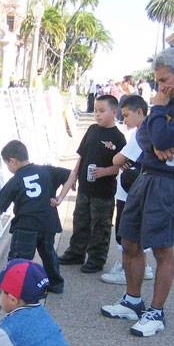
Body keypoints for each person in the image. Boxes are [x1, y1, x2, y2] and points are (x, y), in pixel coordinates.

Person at [99, 47, 174, 338]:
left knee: (161, 247)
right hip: (147, 176)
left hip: (169, 182)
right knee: (129, 240)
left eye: (163, 80)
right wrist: (158, 142)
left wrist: (158, 111)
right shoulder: (171, 99)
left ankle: (156, 312)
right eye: (159, 82)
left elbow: (159, 134)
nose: (161, 88)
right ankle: (132, 301)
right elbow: (145, 134)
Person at [0, 140, 71, 293]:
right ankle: (55, 284)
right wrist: (60, 197)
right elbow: (71, 175)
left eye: (7, 164)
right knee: (48, 254)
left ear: (13, 161)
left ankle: (12, 290)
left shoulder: (15, 180)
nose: (8, 168)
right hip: (48, 223)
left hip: (26, 226)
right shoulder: (46, 170)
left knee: (19, 259)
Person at [57, 94, 126, 273]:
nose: (97, 114)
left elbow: (120, 167)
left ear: (114, 113)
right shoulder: (92, 130)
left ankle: (96, 259)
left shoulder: (118, 138)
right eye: (95, 111)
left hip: (103, 192)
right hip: (85, 188)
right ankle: (76, 253)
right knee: (80, 221)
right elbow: (82, 156)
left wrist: (105, 171)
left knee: (100, 226)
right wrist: (74, 175)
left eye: (102, 111)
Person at [99, 94, 154, 284]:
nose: (125, 120)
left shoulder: (140, 134)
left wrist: (120, 159)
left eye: (126, 115)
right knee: (139, 230)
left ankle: (126, 269)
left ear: (139, 112)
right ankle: (143, 267)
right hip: (141, 188)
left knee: (125, 231)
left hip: (129, 191)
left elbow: (117, 159)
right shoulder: (152, 131)